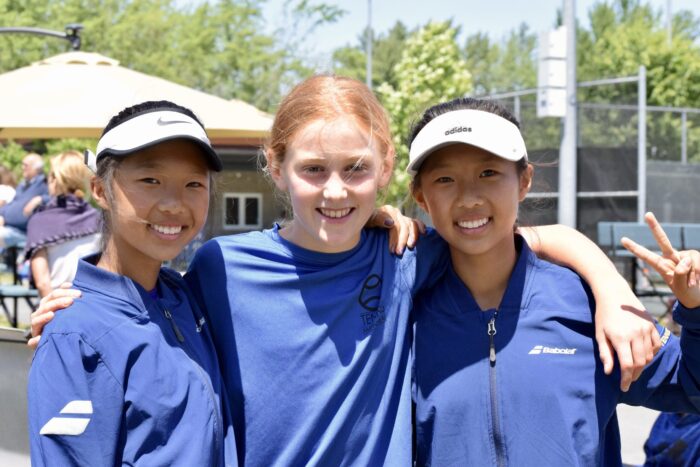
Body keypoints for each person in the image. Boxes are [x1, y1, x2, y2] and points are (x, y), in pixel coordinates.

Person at [32, 76, 660, 466]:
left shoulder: (406, 253)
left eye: (355, 169)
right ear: (276, 167)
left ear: (385, 167)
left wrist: (609, 286)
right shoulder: (219, 269)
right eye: (313, 170)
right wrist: (76, 314)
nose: (335, 190)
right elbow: (137, 311)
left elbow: (513, 235)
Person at [407, 97, 700, 466]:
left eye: (489, 173)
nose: (469, 198)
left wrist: (696, 309)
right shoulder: (403, 315)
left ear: (524, 181)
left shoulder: (587, 303)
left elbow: (690, 386)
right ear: (421, 195)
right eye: (445, 179)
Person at [28, 101, 237, 466]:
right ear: (100, 190)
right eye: (151, 181)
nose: (174, 204)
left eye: (193, 183)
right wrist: (68, 336)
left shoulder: (186, 295)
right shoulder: (75, 335)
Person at [24, 151, 101, 297]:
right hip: (95, 302)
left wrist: (54, 309)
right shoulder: (100, 219)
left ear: (55, 179)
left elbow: (43, 283)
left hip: (58, 303)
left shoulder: (40, 221)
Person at [0, 153, 48, 247]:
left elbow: (56, 197)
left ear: (37, 168)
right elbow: (12, 203)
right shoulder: (23, 184)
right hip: (9, 228)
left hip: (23, 233)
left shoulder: (44, 183)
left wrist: (41, 199)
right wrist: (1, 214)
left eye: (26, 165)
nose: (22, 168)